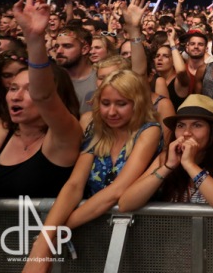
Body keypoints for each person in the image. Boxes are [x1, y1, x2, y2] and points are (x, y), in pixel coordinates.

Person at [25, 68, 163, 270]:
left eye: (121, 104)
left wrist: (54, 233)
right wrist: (46, 237)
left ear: (138, 103)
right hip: (91, 231)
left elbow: (117, 190)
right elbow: (74, 185)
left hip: (142, 235)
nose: (111, 112)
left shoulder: (149, 131)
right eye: (105, 103)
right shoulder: (97, 133)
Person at [0, 0, 82, 198]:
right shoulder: (2, 133)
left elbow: (44, 96)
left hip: (44, 231)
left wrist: (34, 39)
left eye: (28, 90)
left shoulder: (64, 136)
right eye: (13, 88)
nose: (16, 96)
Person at [119, 94, 213, 214]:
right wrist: (167, 167)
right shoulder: (167, 157)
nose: (187, 132)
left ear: (212, 131)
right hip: (172, 232)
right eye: (181, 125)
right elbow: (125, 204)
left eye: (197, 125)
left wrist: (190, 165)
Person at [54, 24, 97, 114]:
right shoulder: (51, 80)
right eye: (57, 46)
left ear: (84, 49)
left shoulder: (100, 79)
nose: (59, 51)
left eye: (67, 46)